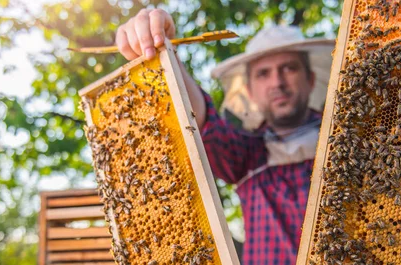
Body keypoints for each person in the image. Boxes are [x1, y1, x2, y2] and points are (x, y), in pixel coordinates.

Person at [115, 8, 334, 265]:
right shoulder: (246, 153)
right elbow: (202, 123)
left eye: (289, 68)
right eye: (264, 73)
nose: (277, 82)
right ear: (250, 91)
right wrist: (165, 51)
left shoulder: (351, 141)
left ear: (310, 79)